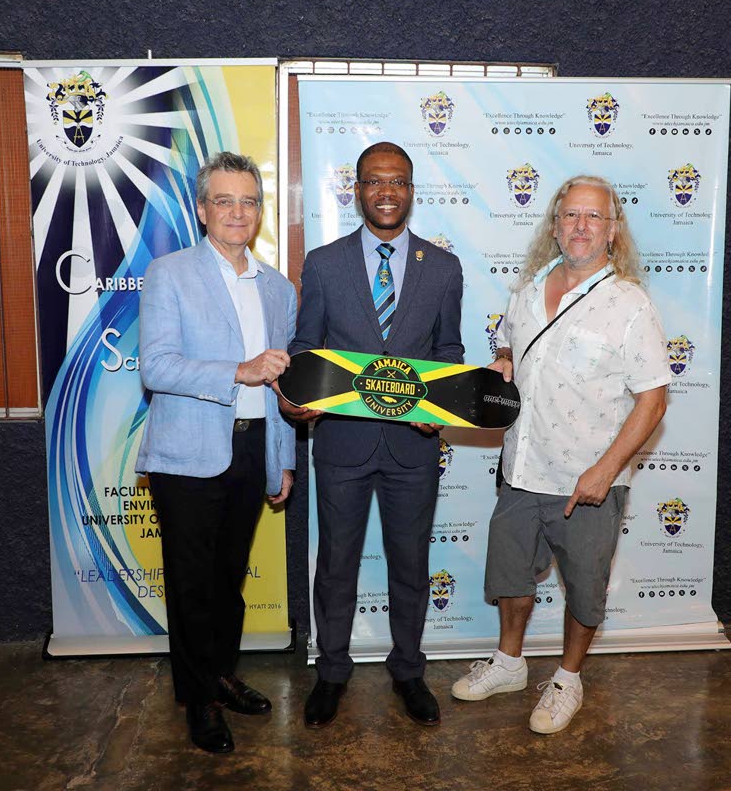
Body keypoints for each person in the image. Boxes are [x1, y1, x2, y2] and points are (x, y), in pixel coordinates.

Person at [451, 175, 669, 735]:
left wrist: (607, 469)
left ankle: (568, 678)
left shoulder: (629, 304)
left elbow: (654, 399)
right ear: (554, 225)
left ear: (613, 231)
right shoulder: (527, 291)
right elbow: (509, 345)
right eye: (571, 215)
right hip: (522, 468)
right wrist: (502, 361)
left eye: (593, 217)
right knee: (511, 577)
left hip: (586, 480)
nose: (581, 226)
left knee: (585, 588)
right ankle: (509, 663)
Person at [283, 142, 464, 728]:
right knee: (335, 562)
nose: (387, 192)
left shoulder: (443, 268)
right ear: (357, 190)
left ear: (412, 190)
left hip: (412, 446)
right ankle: (331, 670)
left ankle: (409, 669)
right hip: (341, 443)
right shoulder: (325, 262)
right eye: (375, 181)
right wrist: (303, 393)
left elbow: (449, 351)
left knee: (411, 562)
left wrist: (437, 406)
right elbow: (305, 348)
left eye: (399, 181)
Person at [136, 152, 297, 754]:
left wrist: (282, 458)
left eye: (248, 201)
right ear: (202, 209)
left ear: (260, 211)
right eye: (223, 201)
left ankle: (223, 675)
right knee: (191, 583)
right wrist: (238, 370)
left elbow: (280, 383)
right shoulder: (169, 274)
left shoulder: (279, 289)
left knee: (229, 580)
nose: (237, 212)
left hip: (254, 450)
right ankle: (198, 701)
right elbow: (156, 367)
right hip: (188, 456)